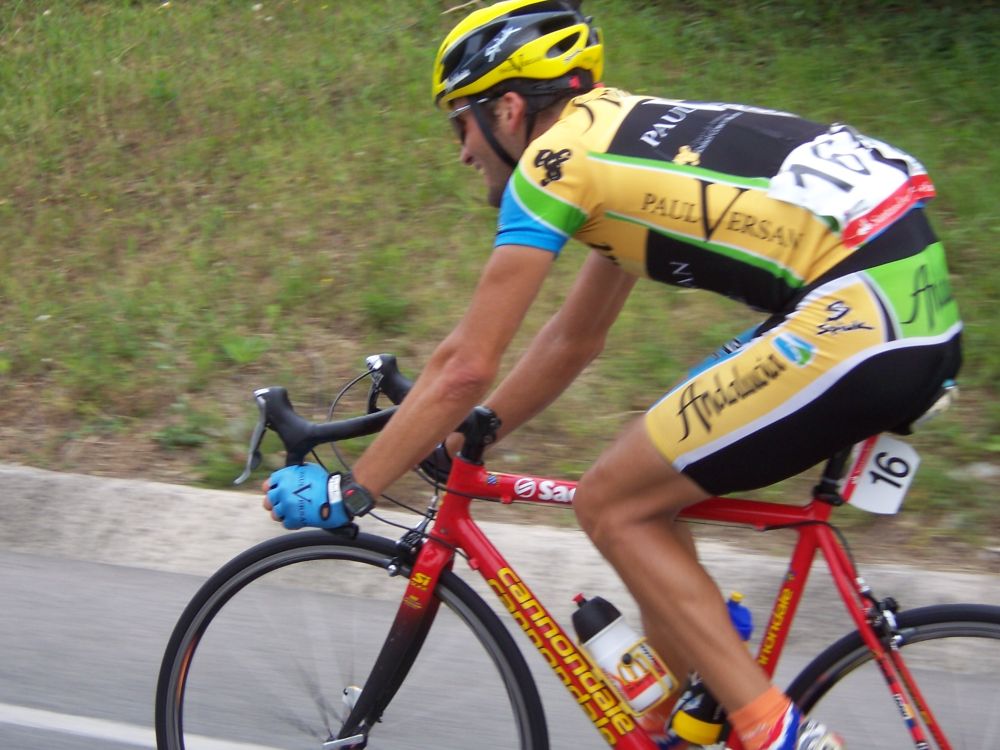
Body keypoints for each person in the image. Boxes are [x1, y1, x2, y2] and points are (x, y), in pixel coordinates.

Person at [263, 2, 962, 749]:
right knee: (649, 485)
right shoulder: (620, 136)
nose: (461, 151)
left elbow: (464, 363)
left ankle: (777, 733)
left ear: (507, 110)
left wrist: (354, 489)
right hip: (904, 310)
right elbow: (575, 339)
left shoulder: (554, 163)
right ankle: (702, 680)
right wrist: (475, 432)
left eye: (458, 124)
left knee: (612, 502)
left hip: (856, 321)